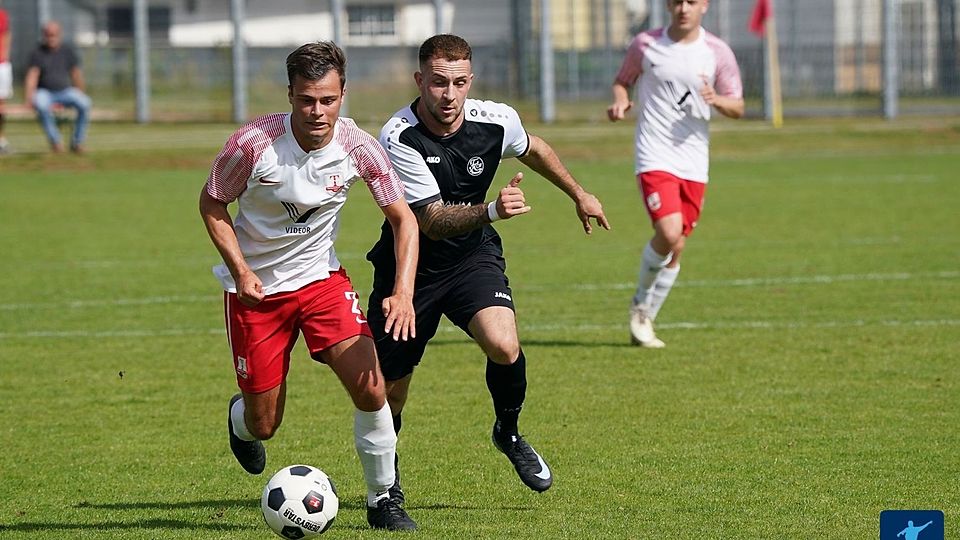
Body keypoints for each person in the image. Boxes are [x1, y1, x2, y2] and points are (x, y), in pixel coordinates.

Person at [367, 34, 610, 504]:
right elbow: (431, 221)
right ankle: (387, 481)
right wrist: (493, 210)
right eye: (438, 82)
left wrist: (579, 193)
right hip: (410, 269)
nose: (449, 94)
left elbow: (533, 147)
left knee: (504, 344)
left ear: (471, 80)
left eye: (459, 83)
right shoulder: (398, 136)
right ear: (419, 80)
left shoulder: (496, 120)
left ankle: (509, 432)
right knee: (390, 389)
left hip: (472, 258)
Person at [199, 41, 420, 531]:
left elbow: (404, 219)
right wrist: (241, 271)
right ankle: (240, 419)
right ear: (290, 95)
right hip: (256, 295)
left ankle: (383, 499)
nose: (317, 111)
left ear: (343, 94)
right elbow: (212, 204)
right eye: (306, 100)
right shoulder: (252, 144)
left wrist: (403, 292)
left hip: (321, 282)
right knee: (263, 424)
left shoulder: (359, 147)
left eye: (327, 99)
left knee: (371, 387)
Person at [607, 0, 743, 348]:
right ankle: (640, 305)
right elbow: (622, 81)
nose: (683, 8)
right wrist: (620, 102)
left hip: (694, 161)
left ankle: (645, 319)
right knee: (668, 233)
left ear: (704, 5)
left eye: (691, 1)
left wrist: (716, 99)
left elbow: (738, 105)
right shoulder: (646, 44)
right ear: (668, 5)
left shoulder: (717, 52)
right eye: (677, 1)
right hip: (654, 155)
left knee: (677, 244)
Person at [24, 21, 92, 153]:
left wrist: (81, 91)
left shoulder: (67, 51)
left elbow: (76, 74)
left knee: (85, 103)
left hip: (65, 91)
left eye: (54, 34)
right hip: (44, 92)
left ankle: (78, 142)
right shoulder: (37, 53)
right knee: (41, 105)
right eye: (48, 35)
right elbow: (32, 76)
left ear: (59, 35)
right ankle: (56, 142)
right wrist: (29, 98)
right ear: (44, 35)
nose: (51, 38)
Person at [0, 1, 11, 154]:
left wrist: (4, 56)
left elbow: (7, 35)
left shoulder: (2, 16)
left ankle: (1, 140)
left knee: (1, 106)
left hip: (1, 65)